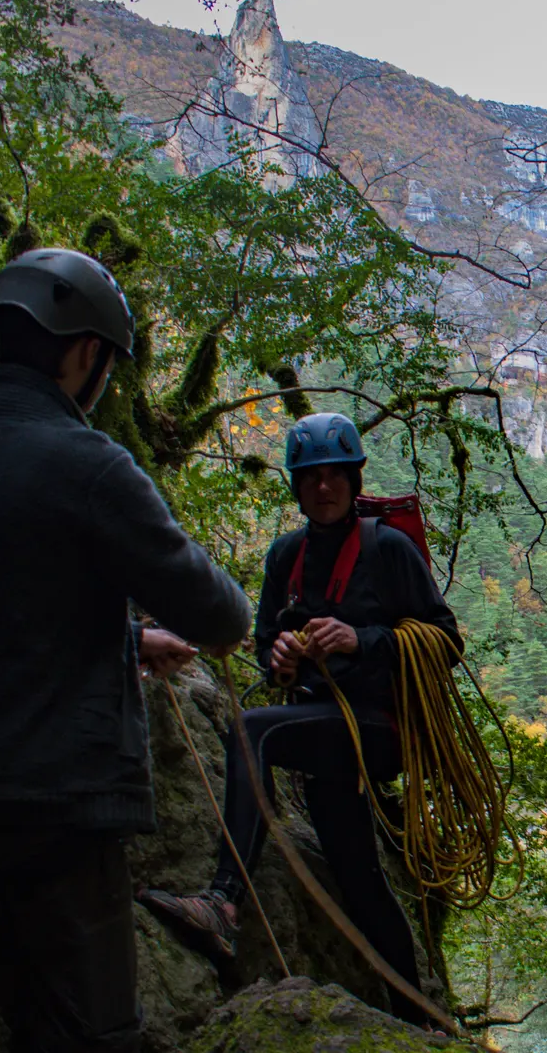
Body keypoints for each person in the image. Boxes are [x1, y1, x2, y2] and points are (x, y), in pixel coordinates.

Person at [0, 248, 253, 1053]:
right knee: (98, 1026)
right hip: (51, 802)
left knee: (23, 997)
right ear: (85, 351)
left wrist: (126, 640)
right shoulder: (87, 464)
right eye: (108, 364)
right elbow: (219, 613)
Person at [139, 412, 459, 1026]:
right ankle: (419, 1014)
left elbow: (445, 640)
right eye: (312, 477)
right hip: (319, 725)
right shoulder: (286, 555)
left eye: (336, 474)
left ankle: (224, 904)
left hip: (380, 727)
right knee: (357, 875)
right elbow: (264, 641)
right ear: (297, 485)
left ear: (354, 478)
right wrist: (279, 655)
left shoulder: (386, 548)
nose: (324, 487)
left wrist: (363, 640)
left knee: (251, 728)